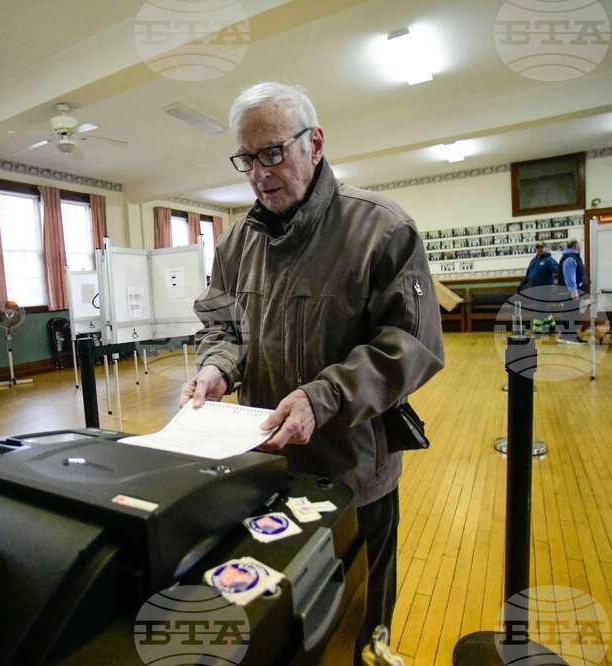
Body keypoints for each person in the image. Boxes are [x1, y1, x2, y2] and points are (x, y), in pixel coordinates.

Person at [180, 82, 445, 659]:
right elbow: (223, 327)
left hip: (354, 471)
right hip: (266, 469)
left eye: (272, 152)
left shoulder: (382, 229)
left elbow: (413, 343)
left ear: (315, 143)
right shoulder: (236, 243)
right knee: (285, 615)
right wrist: (217, 368)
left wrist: (322, 397)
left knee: (359, 616)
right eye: (246, 159)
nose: (259, 173)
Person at [520, 243, 559, 334]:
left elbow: (557, 269)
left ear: (545, 248)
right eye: (538, 248)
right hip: (534, 287)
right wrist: (523, 284)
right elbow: (529, 273)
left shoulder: (549, 260)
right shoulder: (533, 261)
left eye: (541, 248)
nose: (539, 250)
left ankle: (537, 328)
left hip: (545, 288)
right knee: (542, 307)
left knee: (539, 307)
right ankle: (551, 326)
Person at [555, 239, 586, 343]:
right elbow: (569, 277)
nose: (581, 246)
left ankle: (565, 336)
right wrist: (574, 291)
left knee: (569, 314)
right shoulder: (569, 258)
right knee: (571, 314)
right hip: (569, 291)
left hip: (568, 291)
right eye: (579, 245)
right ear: (575, 246)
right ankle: (569, 337)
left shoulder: (572, 257)